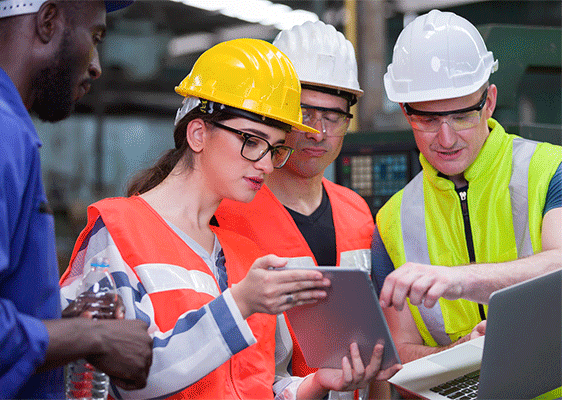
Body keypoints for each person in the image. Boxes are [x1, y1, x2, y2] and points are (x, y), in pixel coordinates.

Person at [59, 38, 386, 400]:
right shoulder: (120, 233)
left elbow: (261, 385)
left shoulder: (244, 256)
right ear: (198, 134)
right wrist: (240, 304)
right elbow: (123, 379)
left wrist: (316, 384)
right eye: (252, 140)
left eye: (275, 148)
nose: (265, 163)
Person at [0, 1, 154, 399]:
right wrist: (91, 335)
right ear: (48, 22)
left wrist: (54, 324)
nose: (97, 65)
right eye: (95, 37)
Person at [215, 21, 400, 399]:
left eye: (333, 117)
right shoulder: (228, 213)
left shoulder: (358, 212)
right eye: (305, 113)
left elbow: (379, 351)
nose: (318, 132)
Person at [374, 9, 562, 364]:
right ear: (405, 112)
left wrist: (459, 280)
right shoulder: (392, 221)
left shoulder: (549, 169)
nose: (446, 139)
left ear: (488, 102)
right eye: (428, 119)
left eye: (461, 116)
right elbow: (399, 351)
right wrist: (459, 355)